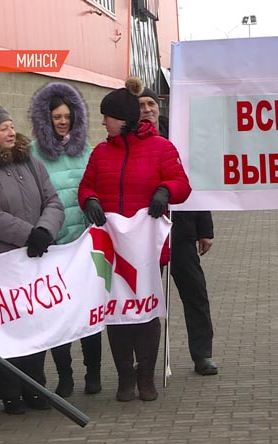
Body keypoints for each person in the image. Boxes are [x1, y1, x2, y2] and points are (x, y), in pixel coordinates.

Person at [78, 77, 191, 402]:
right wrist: (91, 201)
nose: (103, 123)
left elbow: (182, 185)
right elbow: (86, 187)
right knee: (117, 312)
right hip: (113, 250)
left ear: (123, 120)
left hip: (147, 249)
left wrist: (164, 190)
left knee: (146, 310)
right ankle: (125, 376)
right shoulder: (101, 152)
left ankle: (146, 376)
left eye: (107, 117)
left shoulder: (161, 148)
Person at [0, 102, 64, 414]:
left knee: (36, 324)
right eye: (2, 128)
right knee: (8, 330)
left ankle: (36, 387)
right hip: (0, 263)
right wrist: (26, 234)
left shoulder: (30, 162)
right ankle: (10, 393)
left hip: (34, 261)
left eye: (9, 125)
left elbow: (53, 200)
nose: (10, 131)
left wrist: (44, 230)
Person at [139, 87, 218, 375]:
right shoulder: (128, 141)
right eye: (141, 104)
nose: (147, 108)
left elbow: (195, 180)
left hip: (181, 229)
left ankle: (202, 355)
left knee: (195, 293)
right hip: (145, 232)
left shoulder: (180, 135)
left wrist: (204, 229)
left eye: (151, 103)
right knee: (146, 295)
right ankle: (145, 360)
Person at [29, 81, 100, 396]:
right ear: (46, 118)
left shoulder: (85, 149)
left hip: (83, 244)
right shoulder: (33, 153)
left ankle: (94, 374)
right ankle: (65, 377)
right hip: (54, 247)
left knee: (88, 314)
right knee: (60, 318)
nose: (62, 121)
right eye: (56, 116)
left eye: (67, 116)